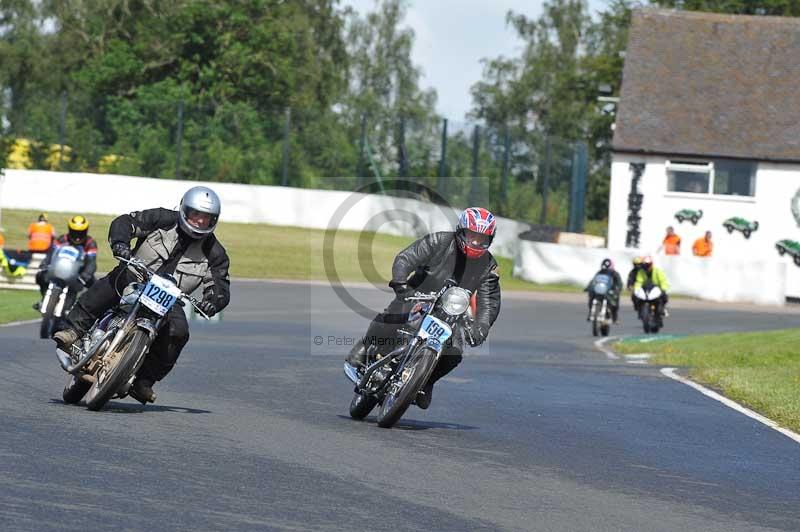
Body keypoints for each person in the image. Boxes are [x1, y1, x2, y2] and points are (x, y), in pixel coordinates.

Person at [53, 187, 231, 404]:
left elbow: (221, 285)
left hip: (168, 298)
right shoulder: (162, 218)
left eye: (206, 218)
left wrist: (214, 301)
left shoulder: (216, 253)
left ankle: (143, 382)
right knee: (112, 283)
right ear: (185, 210)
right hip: (135, 275)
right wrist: (120, 243)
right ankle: (73, 330)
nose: (200, 222)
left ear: (214, 220)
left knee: (179, 332)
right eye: (196, 215)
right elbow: (125, 222)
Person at [345, 207, 501, 410]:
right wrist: (401, 283)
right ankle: (364, 348)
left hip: (451, 312)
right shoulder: (439, 241)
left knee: (454, 352)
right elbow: (407, 258)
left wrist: (482, 325)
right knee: (393, 317)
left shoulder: (488, 264)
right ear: (461, 231)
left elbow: (489, 299)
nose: (476, 243)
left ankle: (426, 382)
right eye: (472, 236)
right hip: (417, 295)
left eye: (482, 239)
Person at [35, 215, 98, 300]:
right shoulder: (62, 239)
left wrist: (86, 274)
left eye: (80, 232)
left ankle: (87, 308)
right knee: (40, 276)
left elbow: (91, 262)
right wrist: (44, 264)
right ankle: (44, 298)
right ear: (70, 230)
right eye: (74, 232)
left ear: (86, 231)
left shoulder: (90, 243)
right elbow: (51, 253)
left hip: (80, 272)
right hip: (59, 268)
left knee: (95, 286)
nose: (77, 236)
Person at [585, 258, 622, 323]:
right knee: (591, 295)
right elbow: (594, 280)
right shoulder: (599, 272)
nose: (606, 269)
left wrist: (617, 288)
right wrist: (589, 287)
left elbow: (619, 283)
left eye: (608, 267)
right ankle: (591, 312)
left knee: (615, 301)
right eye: (605, 266)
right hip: (600, 289)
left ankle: (614, 317)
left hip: (610, 291)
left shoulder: (615, 274)